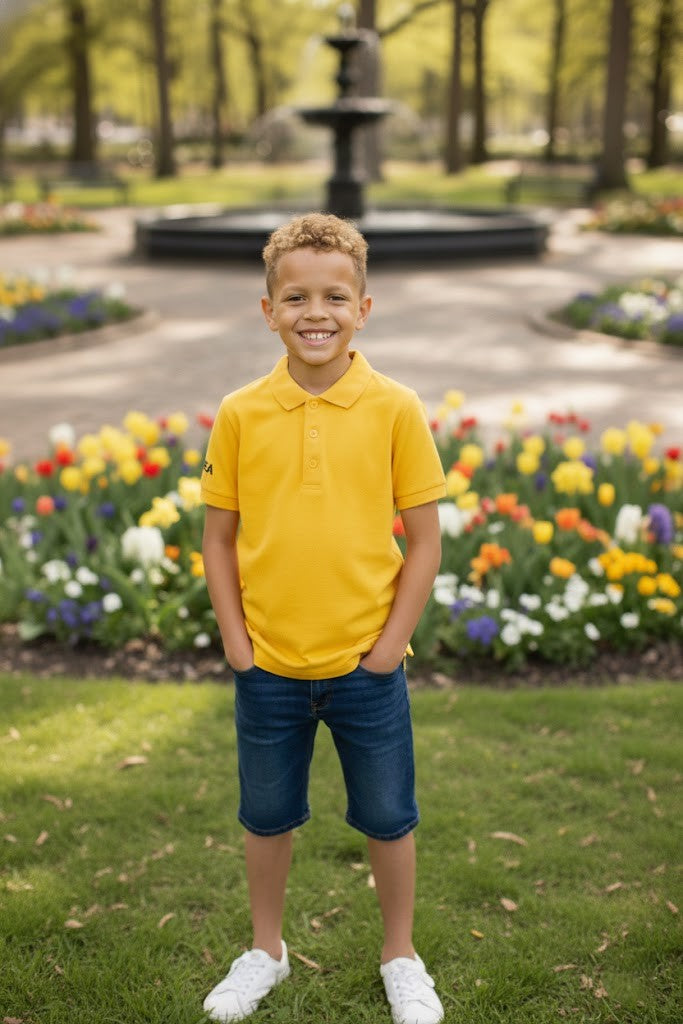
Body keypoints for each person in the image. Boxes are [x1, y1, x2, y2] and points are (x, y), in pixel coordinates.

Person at [200, 212, 447, 1024]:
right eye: (296, 297)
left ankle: (399, 955)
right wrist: (238, 646)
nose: (317, 312)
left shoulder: (395, 408)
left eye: (335, 296)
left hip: (364, 670)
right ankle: (263, 950)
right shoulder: (239, 412)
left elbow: (423, 539)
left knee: (387, 816)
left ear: (363, 308)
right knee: (265, 816)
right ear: (267, 310)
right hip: (267, 667)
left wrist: (387, 650)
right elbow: (219, 536)